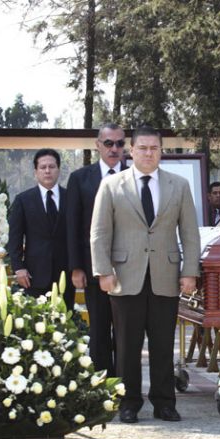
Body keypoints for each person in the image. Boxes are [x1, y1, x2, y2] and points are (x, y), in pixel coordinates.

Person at [90, 125, 201, 423]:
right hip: (125, 277)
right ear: (131, 150)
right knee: (126, 344)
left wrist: (190, 271)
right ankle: (128, 403)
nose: (148, 153)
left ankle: (165, 403)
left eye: (154, 148)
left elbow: (190, 233)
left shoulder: (178, 185)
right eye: (143, 148)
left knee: (164, 344)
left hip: (165, 275)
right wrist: (103, 271)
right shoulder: (112, 186)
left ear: (161, 151)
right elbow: (100, 233)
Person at [66, 123, 129, 378]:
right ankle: (103, 383)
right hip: (94, 266)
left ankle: (126, 383)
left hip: (130, 267)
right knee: (100, 328)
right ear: (97, 145)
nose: (114, 149)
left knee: (127, 331)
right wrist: (76, 267)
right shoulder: (80, 179)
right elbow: (72, 225)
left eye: (120, 144)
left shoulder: (136, 175)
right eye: (109, 143)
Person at [8, 148, 75, 310]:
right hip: (33, 275)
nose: (47, 171)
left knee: (65, 323)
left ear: (58, 170)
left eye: (52, 167)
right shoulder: (23, 200)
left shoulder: (72, 198)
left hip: (65, 273)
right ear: (35, 172)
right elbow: (15, 237)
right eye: (43, 167)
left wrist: (78, 267)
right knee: (36, 325)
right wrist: (18, 268)